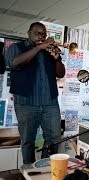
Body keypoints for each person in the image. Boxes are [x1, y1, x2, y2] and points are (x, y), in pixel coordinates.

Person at [6, 22, 65, 164]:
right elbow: (14, 63)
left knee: (54, 139)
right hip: (26, 103)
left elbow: (61, 73)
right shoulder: (16, 47)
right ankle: (29, 171)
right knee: (28, 141)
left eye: (43, 34)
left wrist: (57, 59)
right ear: (29, 33)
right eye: (37, 33)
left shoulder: (49, 51)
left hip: (50, 103)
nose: (41, 36)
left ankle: (45, 168)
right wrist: (39, 47)